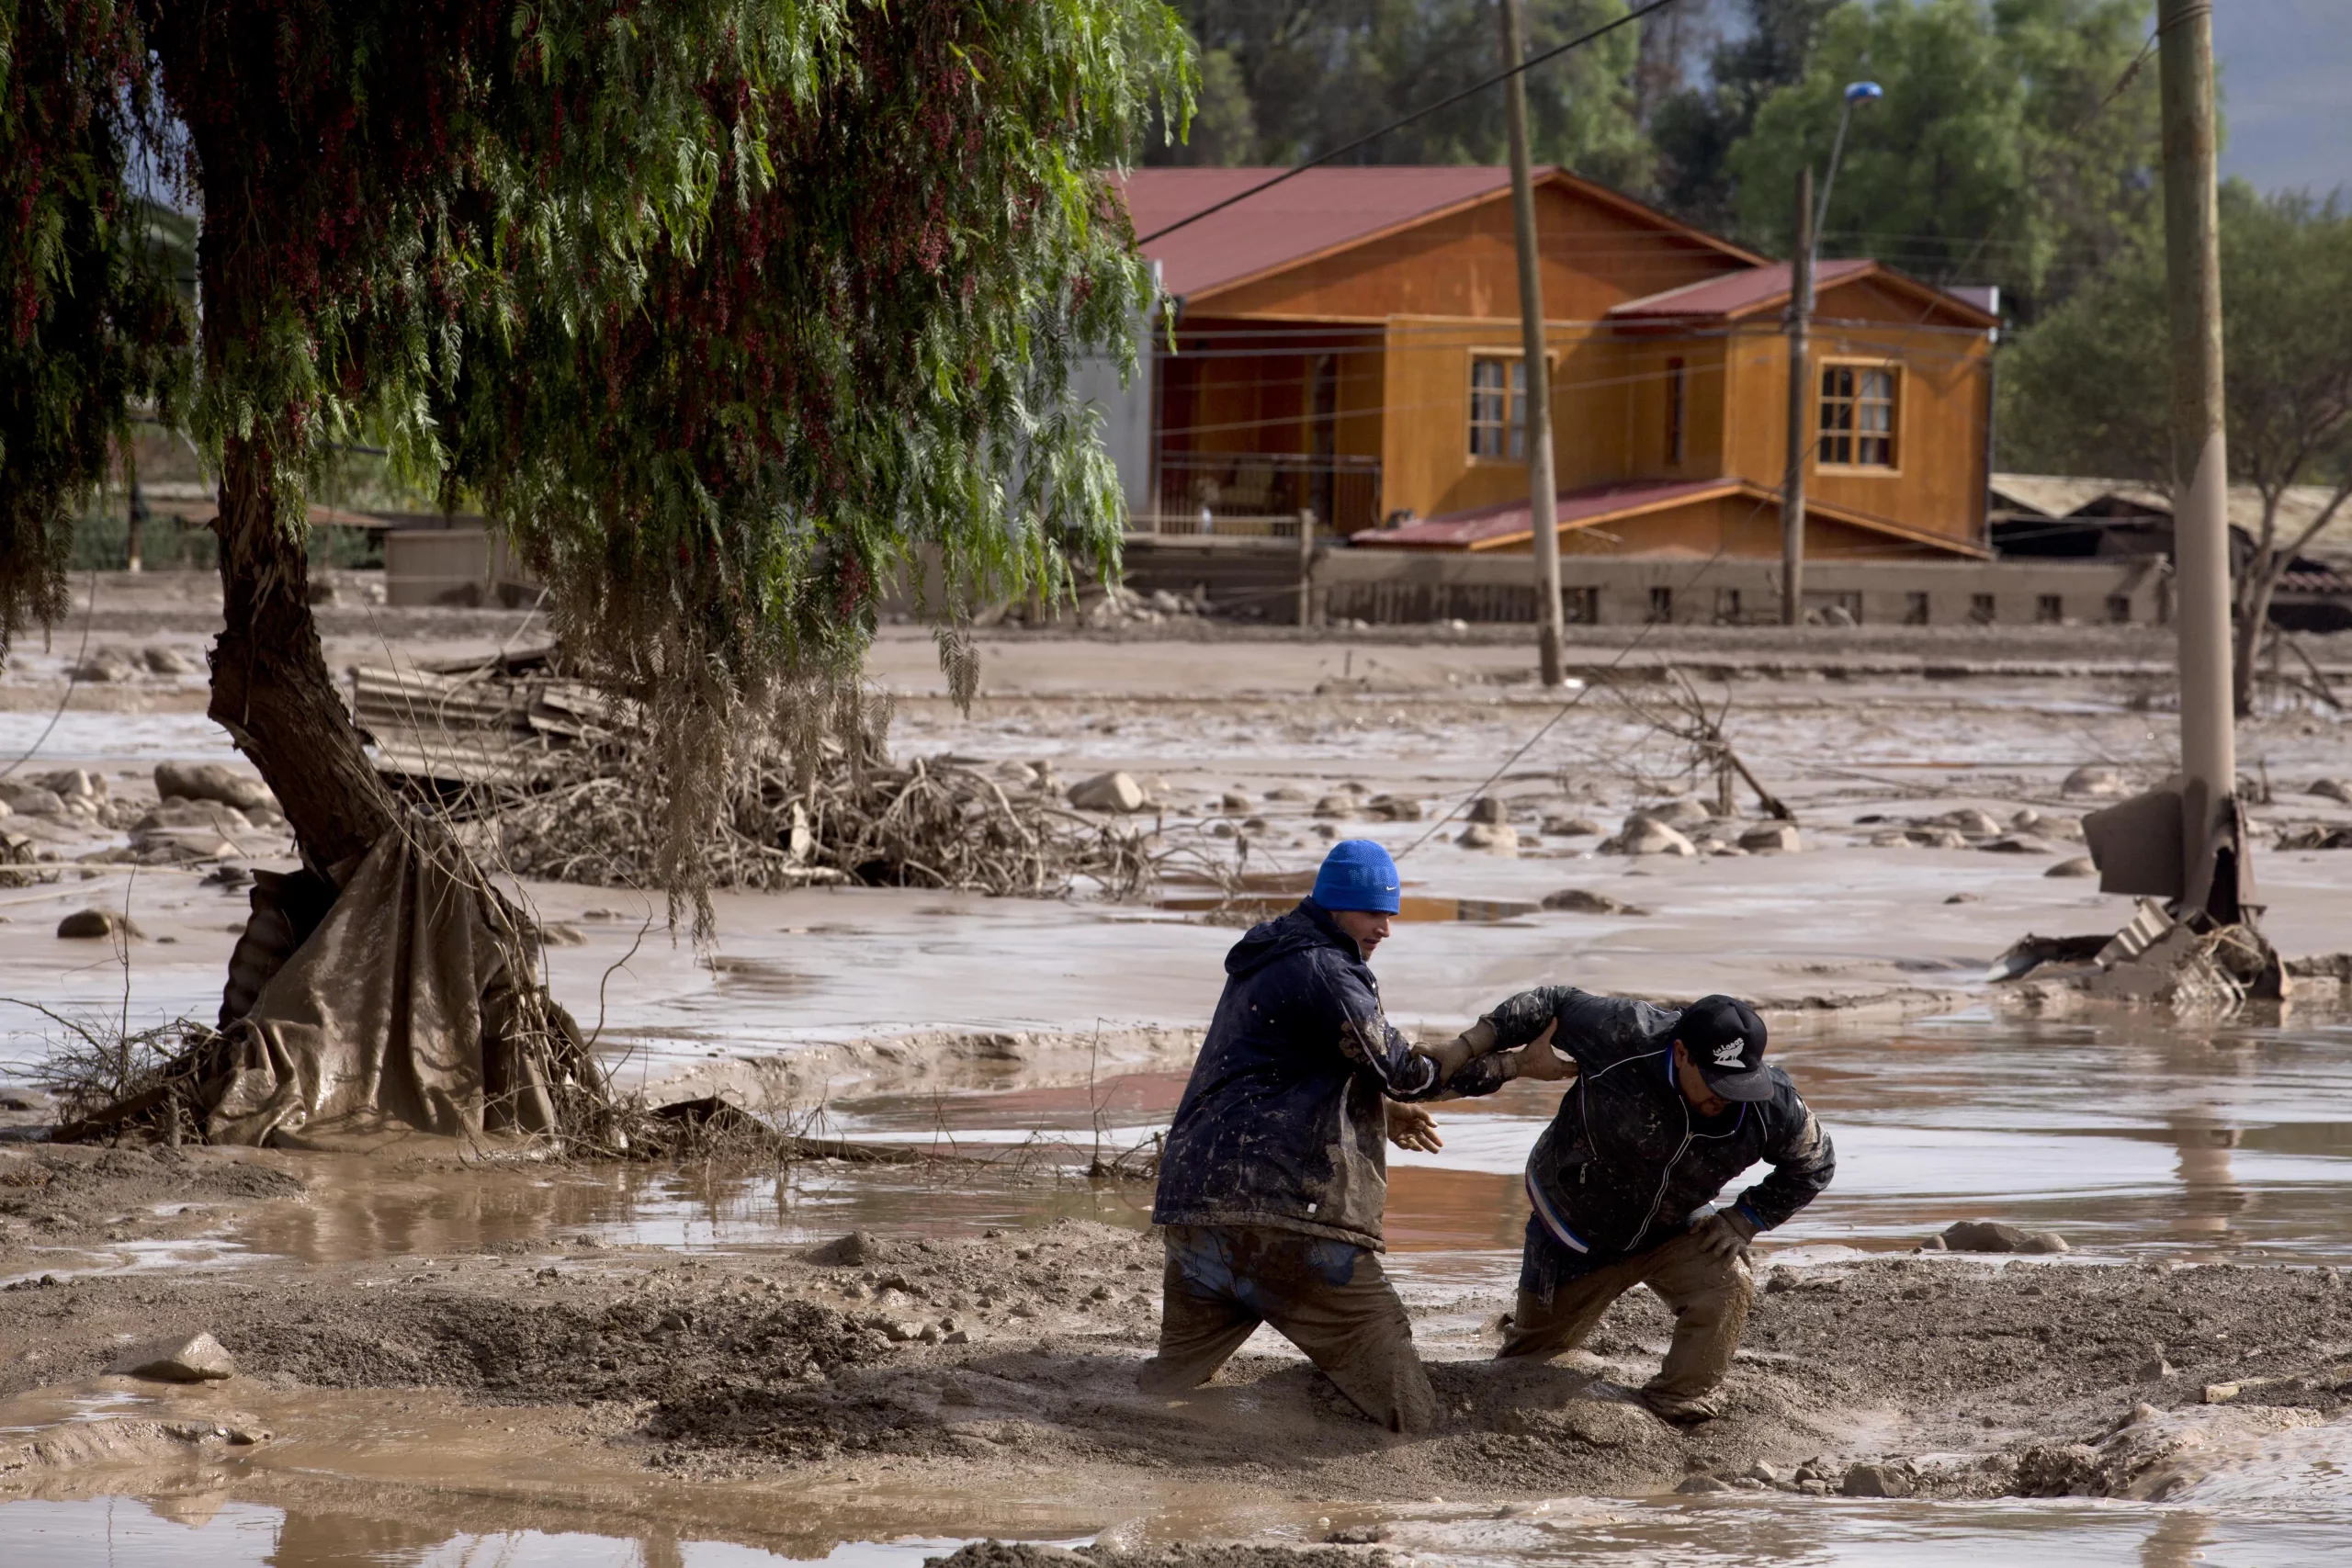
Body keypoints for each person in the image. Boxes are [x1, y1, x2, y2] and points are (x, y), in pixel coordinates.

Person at [1141, 838, 1479, 1433]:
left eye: (1391, 912)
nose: (1386, 928)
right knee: (1403, 1395)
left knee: (1169, 1383)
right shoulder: (1328, 967)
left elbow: (1277, 1068)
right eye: (1374, 912)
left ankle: (1126, 1442)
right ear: (1338, 906)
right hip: (1279, 1212)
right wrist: (1499, 1063)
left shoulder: (1270, 955)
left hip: (1197, 1203)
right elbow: (1401, 1069)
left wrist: (1376, 1108)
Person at [1442, 988, 1835, 1423]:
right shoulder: (1624, 1034)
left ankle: (1677, 1398)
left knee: (1728, 1282)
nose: (1726, 1097)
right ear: (1681, 1053)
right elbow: (1549, 1001)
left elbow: (1815, 1162)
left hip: (1674, 1227)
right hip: (1572, 1231)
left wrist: (1745, 1219)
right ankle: (1524, 1335)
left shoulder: (1771, 1106)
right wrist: (1469, 1045)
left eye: (1739, 1083)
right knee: (1529, 1361)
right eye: (1716, 1082)